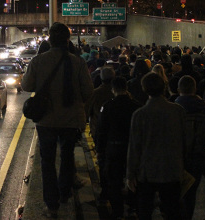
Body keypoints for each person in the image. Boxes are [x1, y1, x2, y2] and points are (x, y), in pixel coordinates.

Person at [21, 22, 94, 218]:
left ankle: (51, 205)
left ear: (50, 40)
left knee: (47, 161)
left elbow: (26, 86)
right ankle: (64, 194)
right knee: (67, 156)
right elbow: (88, 92)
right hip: (71, 120)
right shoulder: (77, 62)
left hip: (46, 120)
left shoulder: (38, 61)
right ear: (67, 40)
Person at [126, 72, 186, 220]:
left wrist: (130, 174)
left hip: (147, 170)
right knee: (173, 211)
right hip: (172, 168)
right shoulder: (178, 110)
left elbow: (134, 147)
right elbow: (185, 140)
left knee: (145, 211)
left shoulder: (140, 114)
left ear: (144, 89)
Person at [96, 76, 141, 219]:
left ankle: (117, 211)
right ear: (126, 88)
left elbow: (101, 130)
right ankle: (133, 207)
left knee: (114, 180)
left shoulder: (108, 106)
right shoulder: (136, 106)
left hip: (113, 148)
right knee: (133, 177)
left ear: (113, 89)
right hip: (131, 149)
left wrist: (99, 150)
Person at [175, 75, 205, 219]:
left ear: (178, 89)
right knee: (191, 193)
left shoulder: (173, 108)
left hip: (176, 156)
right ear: (195, 89)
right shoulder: (204, 109)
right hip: (198, 155)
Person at [84, 66, 115, 201]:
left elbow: (87, 111)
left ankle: (105, 191)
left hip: (99, 131)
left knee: (102, 161)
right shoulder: (118, 92)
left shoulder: (95, 93)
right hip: (117, 133)